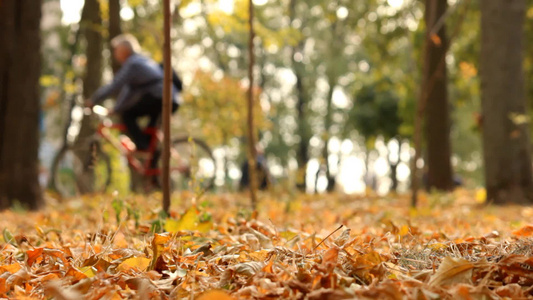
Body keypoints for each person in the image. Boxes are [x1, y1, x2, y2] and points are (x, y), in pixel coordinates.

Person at [85, 34, 181, 182]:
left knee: (128, 115)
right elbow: (129, 91)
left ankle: (141, 147)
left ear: (124, 50)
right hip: (168, 98)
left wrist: (94, 100)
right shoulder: (142, 61)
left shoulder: (133, 64)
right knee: (151, 140)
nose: (115, 54)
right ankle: (154, 179)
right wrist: (116, 109)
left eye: (116, 50)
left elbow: (116, 85)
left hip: (160, 98)